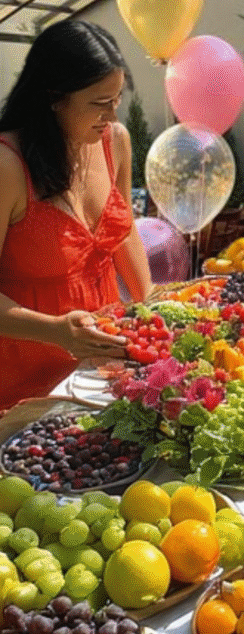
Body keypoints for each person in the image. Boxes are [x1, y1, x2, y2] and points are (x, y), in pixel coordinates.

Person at [0, 20, 153, 407]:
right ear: (54, 97)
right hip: (26, 381)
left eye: (116, 100)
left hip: (103, 369)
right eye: (99, 103)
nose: (111, 116)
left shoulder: (115, 141)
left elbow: (123, 232)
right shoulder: (7, 165)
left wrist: (149, 305)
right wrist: (56, 331)